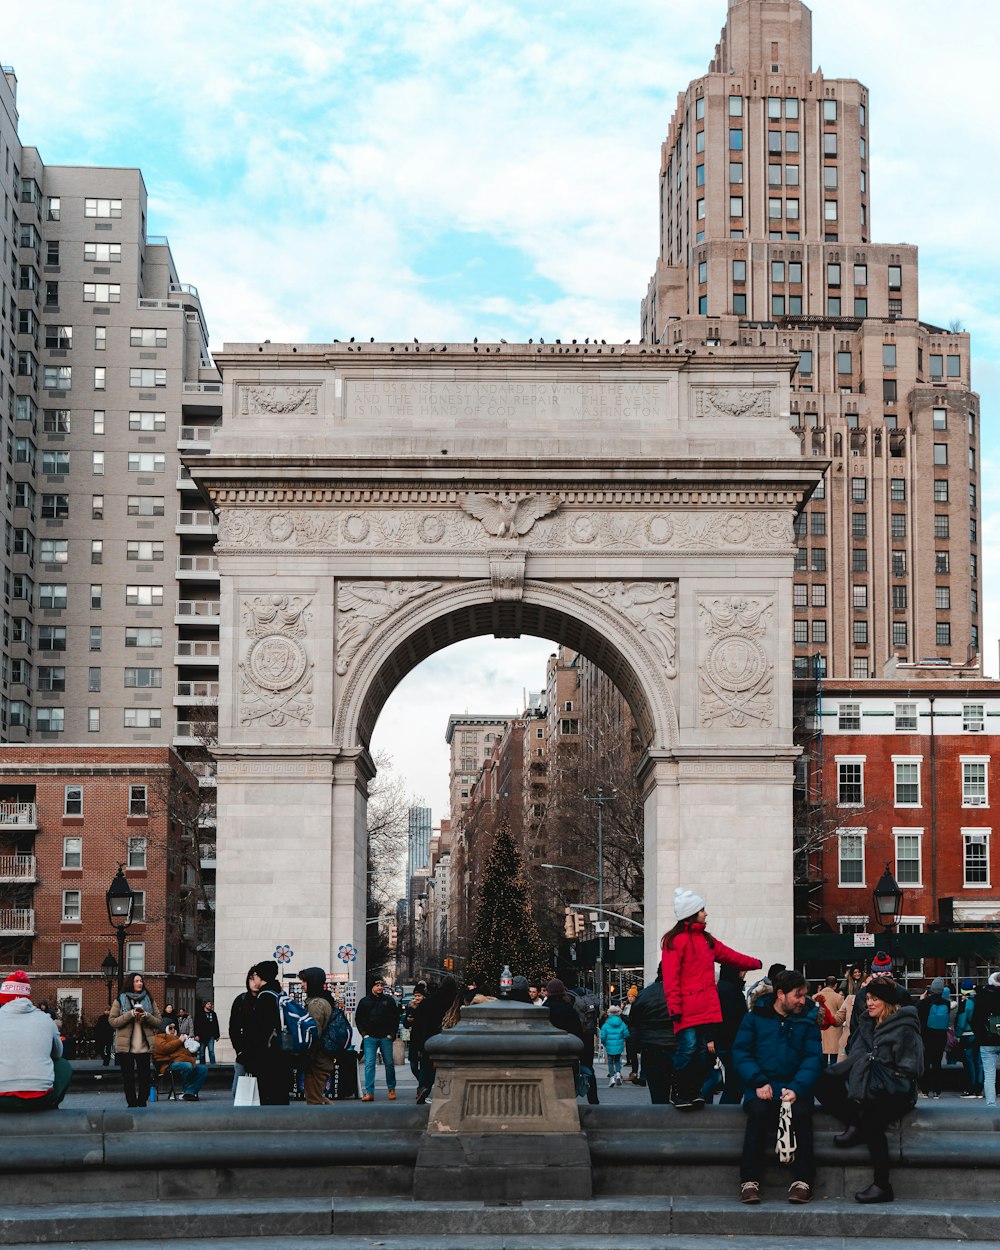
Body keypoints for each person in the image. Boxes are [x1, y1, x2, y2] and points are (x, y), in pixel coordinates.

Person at [817, 977, 923, 1204]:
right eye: (868, 999)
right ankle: (856, 1123)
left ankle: (882, 1185)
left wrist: (876, 1063)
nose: (870, 1004)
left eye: (875, 999)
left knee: (873, 1122)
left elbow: (912, 1067)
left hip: (895, 1090)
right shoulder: (866, 1023)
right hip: (866, 1082)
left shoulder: (904, 1027)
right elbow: (855, 1053)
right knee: (822, 1082)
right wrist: (848, 1068)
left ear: (887, 1002)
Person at [661, 887, 762, 1110]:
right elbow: (671, 977)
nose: (706, 914)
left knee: (701, 1055)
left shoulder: (705, 939)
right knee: (688, 1050)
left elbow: (729, 955)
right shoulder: (675, 941)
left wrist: (754, 962)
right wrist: (674, 1007)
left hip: (705, 1007)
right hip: (688, 1008)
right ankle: (679, 1091)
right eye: (702, 910)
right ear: (692, 912)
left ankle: (692, 1092)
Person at [731, 968, 822, 1205]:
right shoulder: (754, 1017)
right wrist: (758, 1081)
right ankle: (749, 1181)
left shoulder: (808, 1019)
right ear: (781, 994)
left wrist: (797, 1088)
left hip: (795, 1089)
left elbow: (813, 1058)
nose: (803, 1000)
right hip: (761, 1087)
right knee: (758, 1114)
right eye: (798, 995)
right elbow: (741, 1052)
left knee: (802, 1115)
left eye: (804, 995)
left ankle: (803, 1181)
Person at [0, 971, 73, 1112]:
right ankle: (51, 1107)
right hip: (38, 1097)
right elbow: (58, 1054)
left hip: (1, 1098)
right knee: (63, 1065)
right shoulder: (46, 1019)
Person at [109, 972, 162, 1108]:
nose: (140, 983)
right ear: (130, 983)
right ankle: (131, 1104)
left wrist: (146, 1016)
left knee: (145, 1078)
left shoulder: (149, 999)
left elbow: (158, 1021)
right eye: (137, 981)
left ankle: (142, 1102)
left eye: (141, 981)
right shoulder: (120, 1000)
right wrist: (130, 1014)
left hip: (144, 1046)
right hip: (126, 1048)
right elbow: (113, 1021)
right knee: (128, 1078)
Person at [243, 961, 290, 1105]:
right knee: (280, 1098)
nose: (254, 978)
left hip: (266, 1057)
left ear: (261, 976)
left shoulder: (264, 998)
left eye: (255, 975)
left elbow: (257, 1031)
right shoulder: (279, 994)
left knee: (268, 1098)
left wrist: (249, 1057)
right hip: (282, 1055)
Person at [628, 968, 677, 1104]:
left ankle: (660, 1121)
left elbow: (634, 1026)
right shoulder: (680, 993)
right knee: (679, 1094)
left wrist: (634, 1049)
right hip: (676, 1047)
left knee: (658, 1095)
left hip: (651, 1048)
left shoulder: (644, 995)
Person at [355, 977, 401, 1102]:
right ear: (372, 987)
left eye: (381, 985)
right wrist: (364, 1034)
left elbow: (395, 1018)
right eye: (377, 985)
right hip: (370, 1037)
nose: (380, 987)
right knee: (369, 1064)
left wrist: (392, 1034)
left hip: (385, 1036)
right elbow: (358, 1018)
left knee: (389, 1064)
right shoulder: (364, 1002)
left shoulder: (389, 1001)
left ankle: (391, 1089)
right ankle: (369, 1092)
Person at [297, 967, 338, 1105]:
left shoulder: (316, 1004)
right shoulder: (323, 1000)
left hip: (318, 1060)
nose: (302, 984)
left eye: (304, 981)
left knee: (314, 1100)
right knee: (318, 1097)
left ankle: (339, 1120)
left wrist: (307, 1056)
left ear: (312, 982)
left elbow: (314, 1034)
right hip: (323, 1059)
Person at [709, 964, 748, 1104]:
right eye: (742, 970)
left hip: (727, 1041)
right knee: (735, 1082)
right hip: (730, 1041)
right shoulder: (730, 990)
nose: (745, 973)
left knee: (734, 1081)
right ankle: (727, 1111)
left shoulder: (725, 988)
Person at [152, 1022, 208, 1100]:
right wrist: (179, 1041)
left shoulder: (176, 1038)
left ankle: (190, 1091)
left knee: (203, 1069)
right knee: (187, 1066)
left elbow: (185, 1053)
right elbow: (164, 1048)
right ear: (164, 1028)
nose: (173, 1030)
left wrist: (189, 1044)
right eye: (170, 1028)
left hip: (181, 1062)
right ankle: (186, 1090)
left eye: (174, 1028)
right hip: (168, 1064)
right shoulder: (158, 1038)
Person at [916, 976, 952, 1098]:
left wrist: (921, 1000)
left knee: (925, 1062)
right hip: (941, 1036)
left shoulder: (925, 1003)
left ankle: (925, 1090)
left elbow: (915, 1012)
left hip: (926, 1035)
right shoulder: (946, 1003)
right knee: (937, 1063)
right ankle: (937, 1091)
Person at [228, 969, 258, 1097]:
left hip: (261, 1053)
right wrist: (239, 1050)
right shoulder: (241, 1000)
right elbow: (233, 1028)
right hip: (244, 1052)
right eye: (251, 978)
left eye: (257, 978)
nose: (255, 982)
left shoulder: (267, 999)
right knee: (239, 1092)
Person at [972, 970, 1000, 1107]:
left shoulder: (982, 998)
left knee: (989, 1075)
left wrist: (981, 1036)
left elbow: (975, 1020)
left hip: (987, 1041)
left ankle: (991, 1105)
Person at [954, 979, 982, 1098]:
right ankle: (979, 1089)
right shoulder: (979, 999)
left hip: (968, 1034)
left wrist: (958, 1034)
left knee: (969, 1062)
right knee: (978, 1062)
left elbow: (961, 1021)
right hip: (979, 1034)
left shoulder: (966, 1002)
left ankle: (971, 1089)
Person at [815, 976, 846, 1067]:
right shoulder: (839, 998)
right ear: (836, 985)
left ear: (824, 984)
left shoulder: (815, 996)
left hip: (820, 1032)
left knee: (821, 1061)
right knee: (834, 1061)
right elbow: (842, 1014)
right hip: (835, 1032)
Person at [600, 1005, 629, 1088]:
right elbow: (626, 1034)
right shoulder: (622, 1023)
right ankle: (618, 1074)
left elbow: (603, 1036)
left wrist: (604, 1043)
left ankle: (612, 1078)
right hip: (619, 1045)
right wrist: (621, 1039)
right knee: (617, 1061)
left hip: (609, 1046)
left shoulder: (606, 1024)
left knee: (610, 1062)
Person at [195, 1000, 221, 1065]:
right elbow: (196, 1025)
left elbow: (216, 1024)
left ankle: (213, 1065)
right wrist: (196, 1035)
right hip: (202, 1036)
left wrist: (217, 1035)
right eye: (208, 1004)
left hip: (211, 1035)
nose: (210, 1005)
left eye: (210, 1004)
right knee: (201, 1052)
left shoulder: (213, 1014)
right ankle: (202, 1066)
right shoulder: (199, 1013)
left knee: (211, 1051)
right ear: (205, 1005)